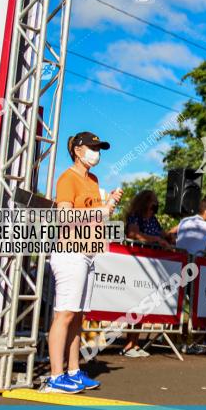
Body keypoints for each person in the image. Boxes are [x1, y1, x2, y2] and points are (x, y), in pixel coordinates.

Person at [45, 131, 122, 393]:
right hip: (70, 253)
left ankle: (74, 371)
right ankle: (55, 377)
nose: (96, 152)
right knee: (64, 314)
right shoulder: (68, 178)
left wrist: (109, 203)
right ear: (77, 150)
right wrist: (100, 209)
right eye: (92, 147)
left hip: (88, 254)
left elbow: (94, 218)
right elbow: (65, 216)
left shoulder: (94, 179)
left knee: (77, 316)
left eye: (99, 148)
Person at [121, 189, 171, 358]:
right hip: (138, 264)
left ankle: (135, 343)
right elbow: (132, 234)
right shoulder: (136, 216)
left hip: (152, 265)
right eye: (153, 201)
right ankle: (128, 344)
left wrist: (168, 237)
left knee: (143, 304)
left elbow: (162, 234)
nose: (155, 205)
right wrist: (155, 240)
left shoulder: (154, 220)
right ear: (145, 201)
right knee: (135, 303)